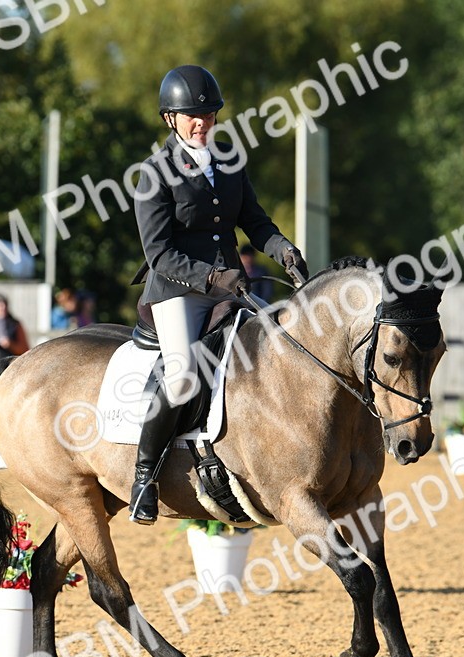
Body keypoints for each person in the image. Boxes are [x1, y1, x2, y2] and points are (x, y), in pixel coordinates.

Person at [127, 64, 309, 525]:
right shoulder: (153, 175)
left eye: (208, 114)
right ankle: (144, 476)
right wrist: (216, 279)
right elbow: (160, 254)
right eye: (192, 116)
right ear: (170, 119)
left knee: (278, 351)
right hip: (177, 292)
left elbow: (256, 223)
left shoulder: (229, 162)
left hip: (231, 287)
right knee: (184, 375)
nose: (202, 123)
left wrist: (283, 250)